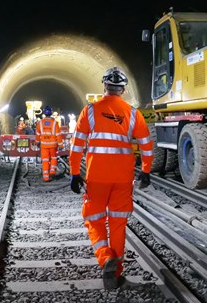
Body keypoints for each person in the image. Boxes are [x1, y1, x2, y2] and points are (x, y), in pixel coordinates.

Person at [68, 66, 153, 289]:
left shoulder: (90, 111)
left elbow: (77, 145)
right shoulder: (133, 114)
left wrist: (75, 172)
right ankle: (115, 275)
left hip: (96, 178)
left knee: (93, 220)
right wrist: (145, 170)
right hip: (123, 179)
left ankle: (106, 259)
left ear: (104, 86)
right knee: (118, 224)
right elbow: (146, 145)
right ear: (123, 89)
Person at [35, 106, 64, 181]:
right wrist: (60, 145)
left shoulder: (40, 123)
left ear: (44, 113)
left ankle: (46, 177)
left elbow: (38, 135)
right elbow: (58, 135)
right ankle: (52, 172)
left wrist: (37, 143)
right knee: (53, 158)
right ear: (51, 113)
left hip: (44, 145)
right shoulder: (55, 123)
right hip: (53, 145)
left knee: (45, 160)